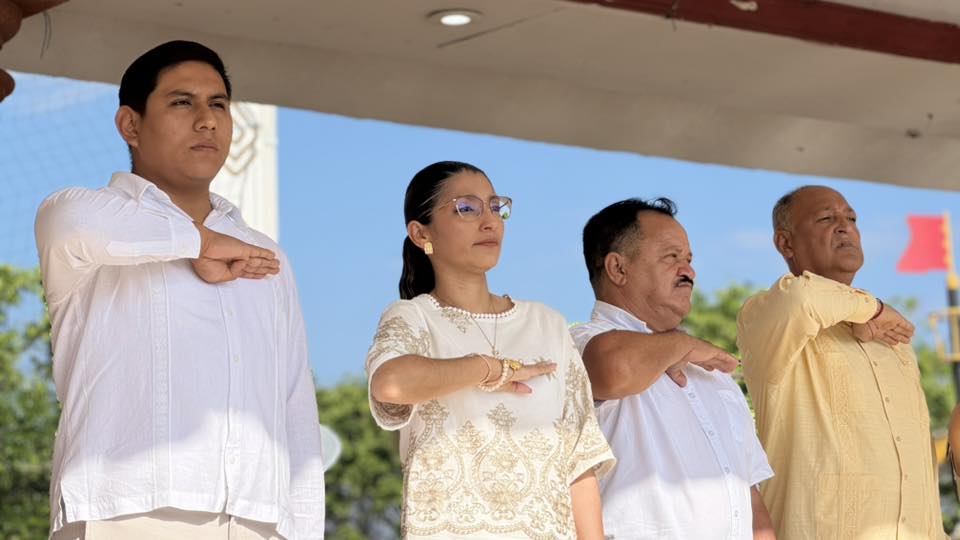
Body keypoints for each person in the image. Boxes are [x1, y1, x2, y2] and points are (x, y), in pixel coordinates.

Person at [36, 40, 325, 540]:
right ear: (130, 125)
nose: (207, 120)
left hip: (258, 517)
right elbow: (74, 224)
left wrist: (304, 528)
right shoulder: (80, 221)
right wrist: (200, 243)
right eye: (182, 102)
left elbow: (294, 404)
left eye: (218, 104)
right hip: (123, 510)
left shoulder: (264, 253)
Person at [365, 161, 615, 539]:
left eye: (496, 207)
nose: (490, 221)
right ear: (420, 233)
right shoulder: (414, 318)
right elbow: (390, 384)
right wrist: (489, 369)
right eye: (467, 208)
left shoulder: (547, 323)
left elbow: (579, 463)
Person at [737, 185, 944, 539]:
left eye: (851, 218)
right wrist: (872, 308)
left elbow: (921, 463)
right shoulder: (763, 315)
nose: (845, 226)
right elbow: (801, 298)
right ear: (786, 243)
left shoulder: (890, 335)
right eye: (826, 218)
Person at [570, 197, 775, 539]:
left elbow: (750, 497)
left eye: (689, 260)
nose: (689, 271)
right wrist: (682, 344)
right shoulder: (578, 345)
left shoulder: (711, 372)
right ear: (618, 268)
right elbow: (614, 369)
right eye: (671, 257)